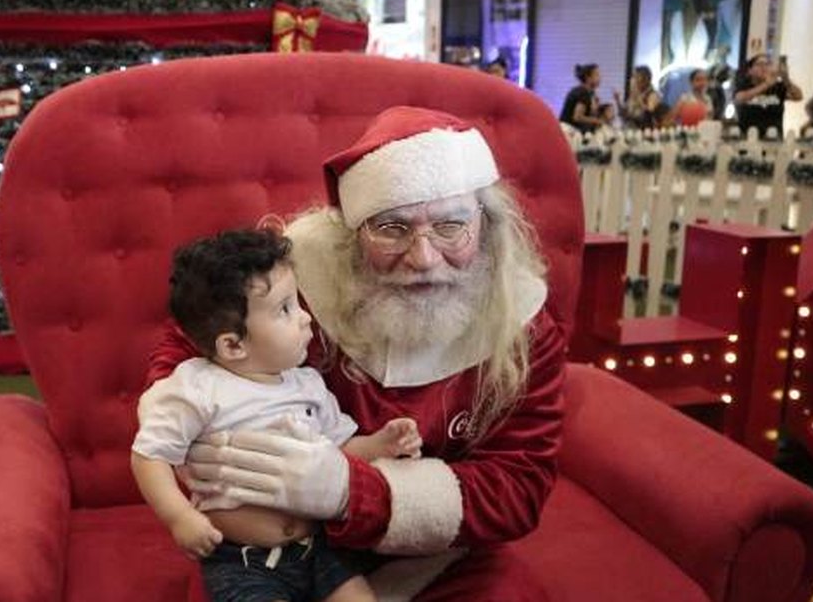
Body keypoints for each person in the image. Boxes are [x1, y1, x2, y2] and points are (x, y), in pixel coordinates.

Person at [148, 106, 566, 600]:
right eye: (391, 228)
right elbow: (194, 339)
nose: (423, 258)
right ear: (350, 231)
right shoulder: (297, 277)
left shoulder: (525, 324)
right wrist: (198, 436)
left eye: (451, 226)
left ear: (487, 223)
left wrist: (354, 490)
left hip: (439, 557)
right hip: (273, 545)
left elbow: (518, 486)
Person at [131, 229, 423, 602]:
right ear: (233, 344)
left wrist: (383, 442)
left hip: (318, 548)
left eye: (298, 303)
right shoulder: (195, 389)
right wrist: (178, 516)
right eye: (285, 309)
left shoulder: (307, 384)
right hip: (241, 560)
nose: (305, 319)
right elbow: (149, 454)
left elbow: (340, 450)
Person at [734, 53, 804, 139]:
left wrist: (786, 78)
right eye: (759, 64)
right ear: (750, 71)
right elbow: (740, 98)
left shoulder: (778, 86)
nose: (764, 67)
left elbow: (798, 96)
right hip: (748, 137)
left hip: (774, 139)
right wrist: (766, 84)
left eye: (767, 64)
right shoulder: (744, 85)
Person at [665, 0, 714, 69]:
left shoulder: (709, 18)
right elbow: (666, 55)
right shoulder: (673, 17)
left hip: (701, 75)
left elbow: (714, 52)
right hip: (675, 74)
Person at [613, 65, 662, 130]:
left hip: (644, 132)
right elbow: (624, 114)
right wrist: (618, 101)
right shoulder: (634, 94)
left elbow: (649, 113)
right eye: (633, 77)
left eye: (636, 77)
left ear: (645, 79)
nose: (633, 80)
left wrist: (639, 100)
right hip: (628, 129)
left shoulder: (653, 94)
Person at [560, 63, 603, 134]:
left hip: (573, 130)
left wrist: (595, 107)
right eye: (597, 75)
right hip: (568, 131)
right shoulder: (582, 92)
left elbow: (588, 114)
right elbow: (577, 117)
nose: (600, 78)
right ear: (588, 77)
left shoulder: (590, 93)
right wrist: (596, 120)